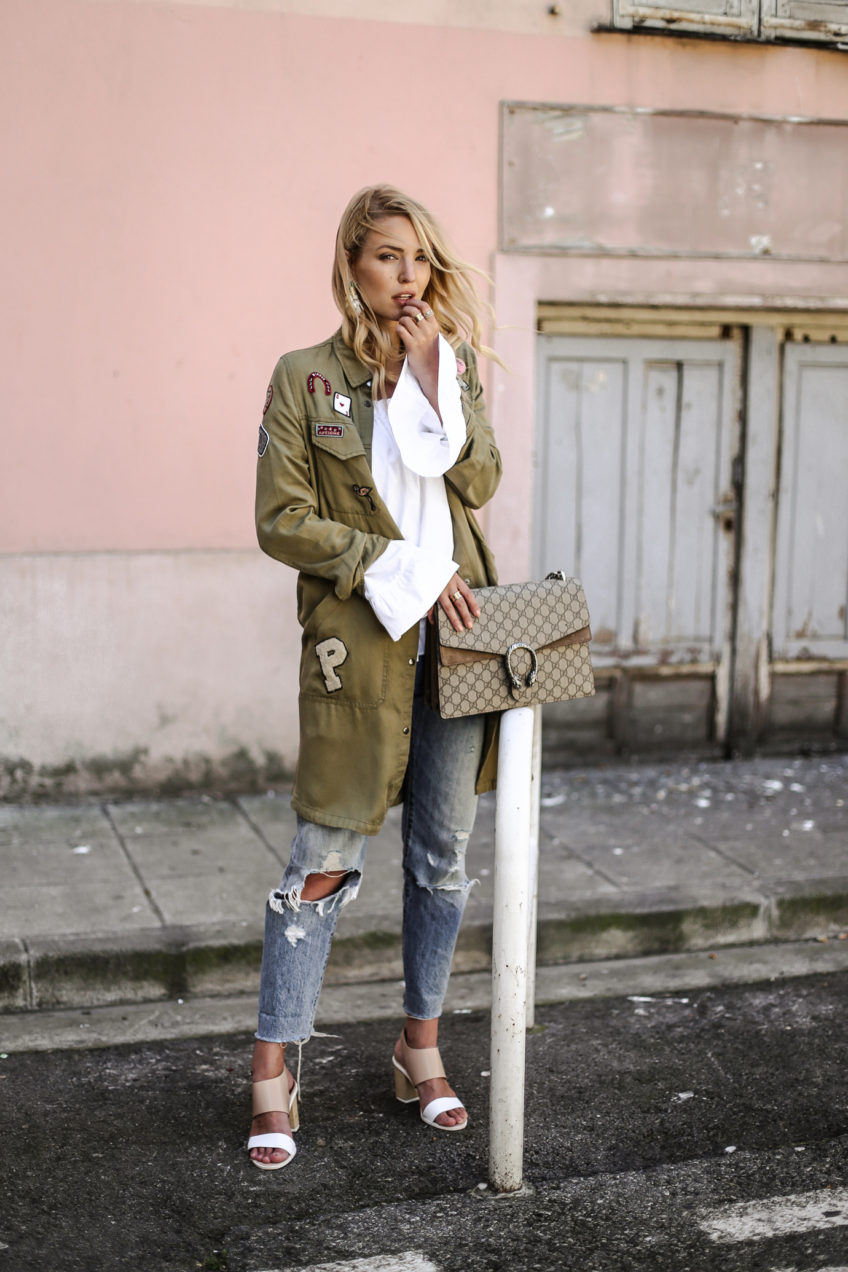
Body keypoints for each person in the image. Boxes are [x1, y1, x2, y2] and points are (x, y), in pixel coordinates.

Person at [248, 185, 502, 1169]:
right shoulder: (303, 378)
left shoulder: (450, 364)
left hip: (460, 640)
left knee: (441, 859)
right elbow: (282, 521)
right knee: (320, 862)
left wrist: (441, 372)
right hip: (360, 643)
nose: (408, 277)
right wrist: (407, 571)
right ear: (352, 263)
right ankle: (274, 1070)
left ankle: (418, 1051)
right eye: (389, 257)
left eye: (421, 260)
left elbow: (475, 483)